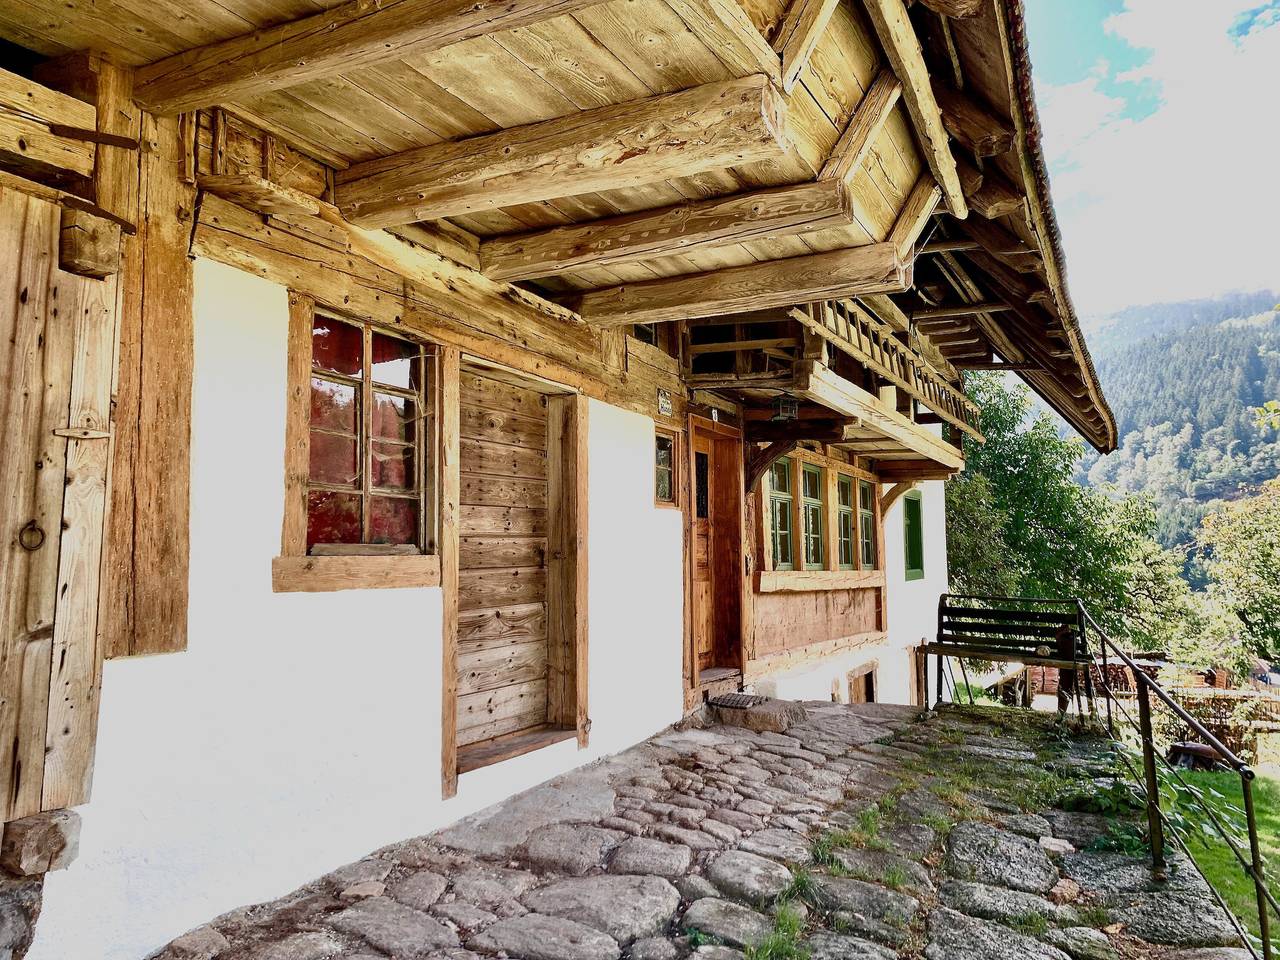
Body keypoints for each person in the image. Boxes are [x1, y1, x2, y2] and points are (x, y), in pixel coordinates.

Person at [1055, 623, 1079, 714]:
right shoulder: (1069, 638)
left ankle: (1062, 711)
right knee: (1066, 681)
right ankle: (1062, 711)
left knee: (1066, 681)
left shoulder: (1067, 639)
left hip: (1068, 660)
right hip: (1068, 660)